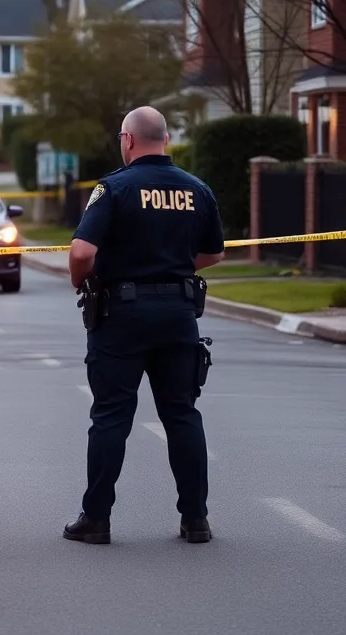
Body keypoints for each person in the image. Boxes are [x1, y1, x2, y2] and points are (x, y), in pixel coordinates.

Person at [63, 106, 225, 546]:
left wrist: (81, 279)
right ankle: (196, 520)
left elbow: (81, 252)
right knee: (182, 414)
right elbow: (214, 253)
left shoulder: (113, 188)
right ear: (166, 140)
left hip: (123, 316)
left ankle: (96, 520)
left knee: (112, 417)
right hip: (178, 314)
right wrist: (170, 266)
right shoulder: (196, 189)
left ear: (128, 141)